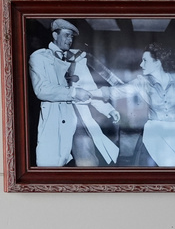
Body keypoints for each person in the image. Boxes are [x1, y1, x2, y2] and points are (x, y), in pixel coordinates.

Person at [92, 42, 175, 166]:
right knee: (167, 170)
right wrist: (87, 94)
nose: (141, 64)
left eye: (145, 60)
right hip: (156, 132)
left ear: (157, 62)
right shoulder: (141, 82)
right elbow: (114, 92)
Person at [28, 19, 121, 166]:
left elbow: (90, 90)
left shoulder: (77, 59)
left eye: (72, 36)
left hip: (79, 122)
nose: (70, 40)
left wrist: (108, 109)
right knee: (52, 167)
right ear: (54, 35)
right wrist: (73, 92)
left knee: (88, 164)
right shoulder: (40, 58)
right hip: (54, 121)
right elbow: (42, 89)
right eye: (66, 35)